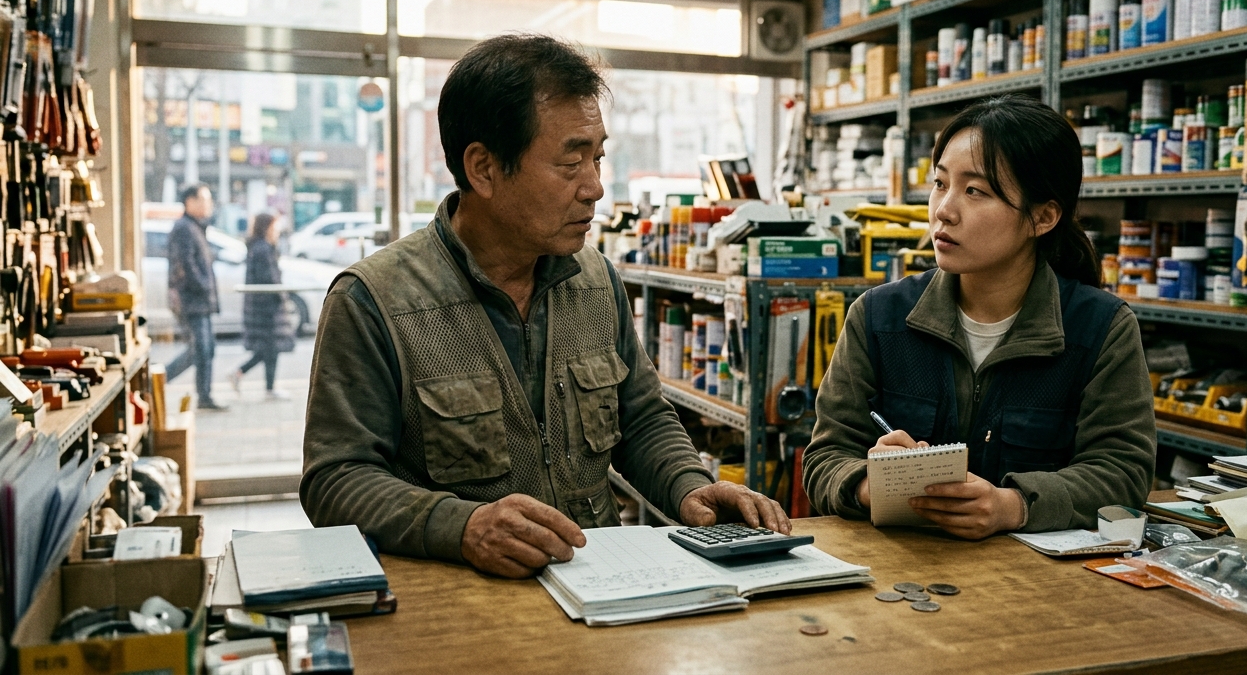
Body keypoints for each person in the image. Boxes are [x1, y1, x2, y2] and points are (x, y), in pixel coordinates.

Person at [302, 33, 789, 579]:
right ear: (484, 168)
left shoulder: (596, 279)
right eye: (570, 163)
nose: (596, 188)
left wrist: (689, 486)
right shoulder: (375, 300)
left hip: (603, 582)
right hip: (463, 604)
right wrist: (460, 526)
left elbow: (642, 418)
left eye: (598, 158)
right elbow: (336, 478)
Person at [803, 94, 1155, 538]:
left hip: (1035, 586)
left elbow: (1123, 472)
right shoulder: (878, 317)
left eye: (975, 191)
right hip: (898, 571)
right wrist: (868, 484)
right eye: (940, 184)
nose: (944, 211)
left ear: (1043, 217)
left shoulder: (1100, 328)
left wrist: (1014, 506)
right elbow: (823, 458)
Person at [165, 183, 226, 412]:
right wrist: (202, 286)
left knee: (205, 349)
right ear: (189, 202)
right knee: (199, 349)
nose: (208, 205)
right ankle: (158, 383)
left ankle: (204, 395)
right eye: (204, 199)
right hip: (192, 300)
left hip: (200, 300)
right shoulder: (184, 228)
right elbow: (185, 265)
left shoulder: (196, 227)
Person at [230, 213, 295, 401]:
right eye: (274, 228)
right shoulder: (263, 249)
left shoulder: (258, 247)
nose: (277, 232)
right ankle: (268, 388)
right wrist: (282, 297)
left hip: (262, 308)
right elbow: (269, 279)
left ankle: (240, 374)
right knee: (270, 348)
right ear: (266, 228)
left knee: (267, 349)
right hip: (266, 309)